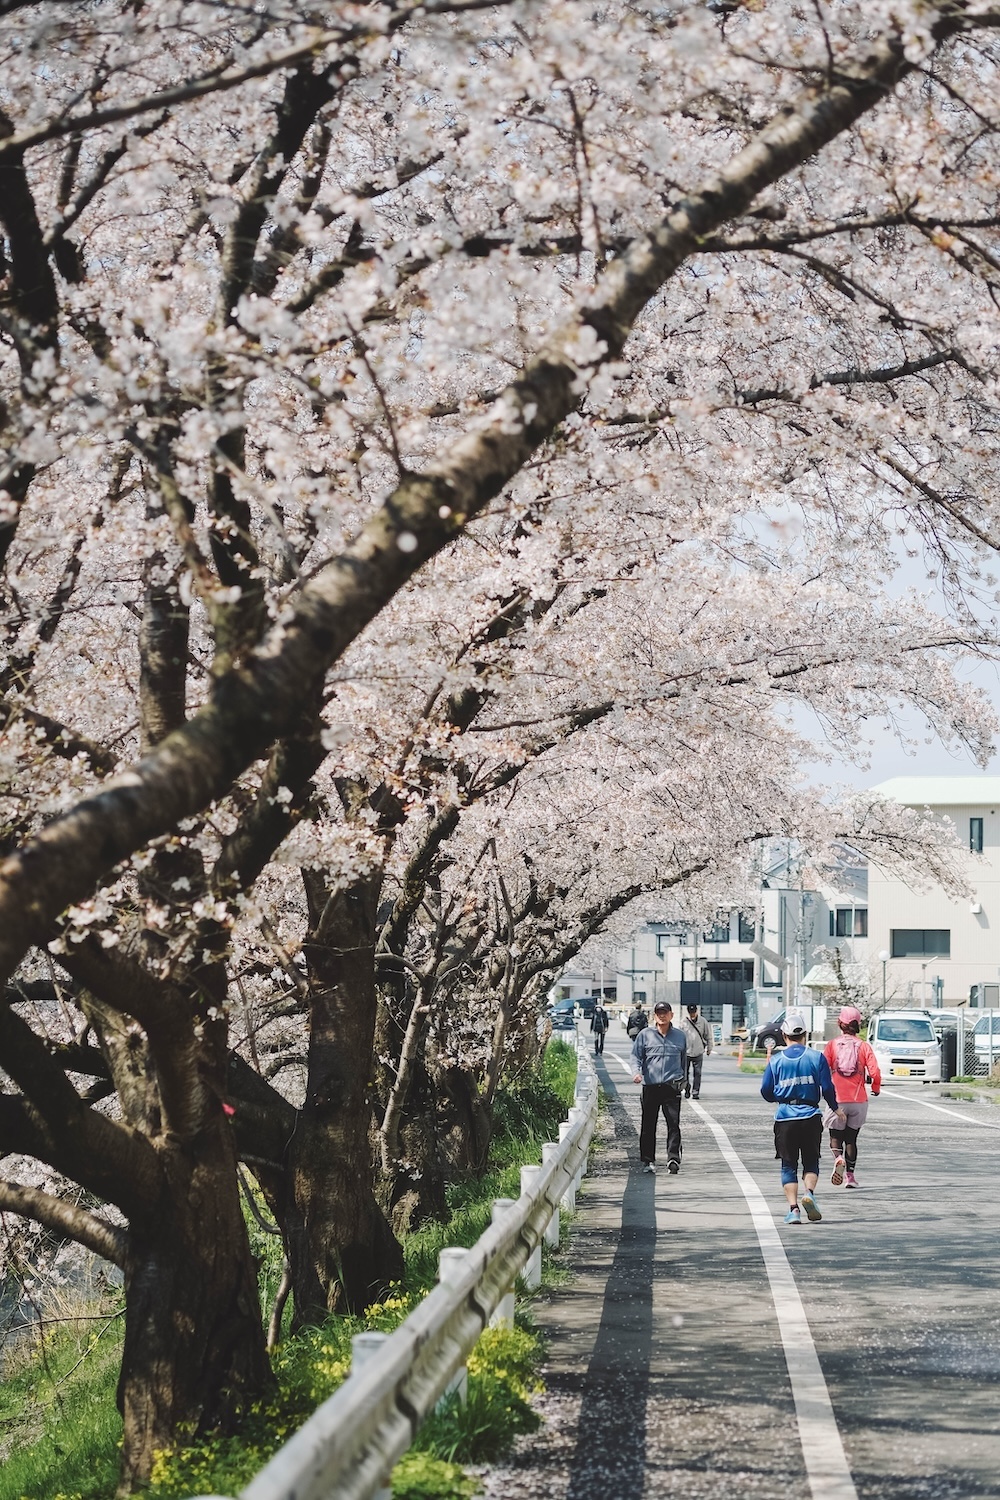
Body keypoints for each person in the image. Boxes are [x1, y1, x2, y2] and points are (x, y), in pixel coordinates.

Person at [760, 1008, 838, 1225]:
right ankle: (809, 1193)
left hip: (785, 1117)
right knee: (811, 1161)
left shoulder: (776, 1061)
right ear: (805, 1035)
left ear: (784, 1036)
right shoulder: (816, 1058)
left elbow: (766, 1091)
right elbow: (828, 1088)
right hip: (811, 1116)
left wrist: (780, 1097)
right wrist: (836, 1108)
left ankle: (794, 1209)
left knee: (788, 1165)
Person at [823, 1005, 880, 1188]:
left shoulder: (832, 1045)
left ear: (840, 1023)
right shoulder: (864, 1046)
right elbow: (875, 1071)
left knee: (835, 1137)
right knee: (851, 1139)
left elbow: (823, 1069)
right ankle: (850, 1177)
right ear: (858, 1025)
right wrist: (876, 1087)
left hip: (837, 1100)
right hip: (859, 1100)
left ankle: (838, 1158)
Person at [631, 1000, 687, 1175]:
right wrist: (636, 1072)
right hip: (651, 1086)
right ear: (654, 1015)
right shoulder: (645, 1035)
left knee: (674, 1124)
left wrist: (685, 1080)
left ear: (671, 1015)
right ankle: (648, 1160)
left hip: (672, 1086)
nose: (662, 1016)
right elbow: (636, 1057)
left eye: (665, 1012)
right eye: (658, 1013)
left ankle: (673, 1159)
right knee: (648, 1125)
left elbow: (684, 1061)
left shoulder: (680, 1036)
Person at [680, 1001, 713, 1098]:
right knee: (684, 1073)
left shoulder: (703, 1021)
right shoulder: (684, 1022)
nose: (692, 1014)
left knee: (697, 1073)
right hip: (686, 1052)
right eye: (691, 1012)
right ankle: (687, 1088)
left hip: (698, 1051)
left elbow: (708, 1035)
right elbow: (679, 1037)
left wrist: (709, 1048)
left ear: (696, 1011)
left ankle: (695, 1092)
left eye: (694, 1012)